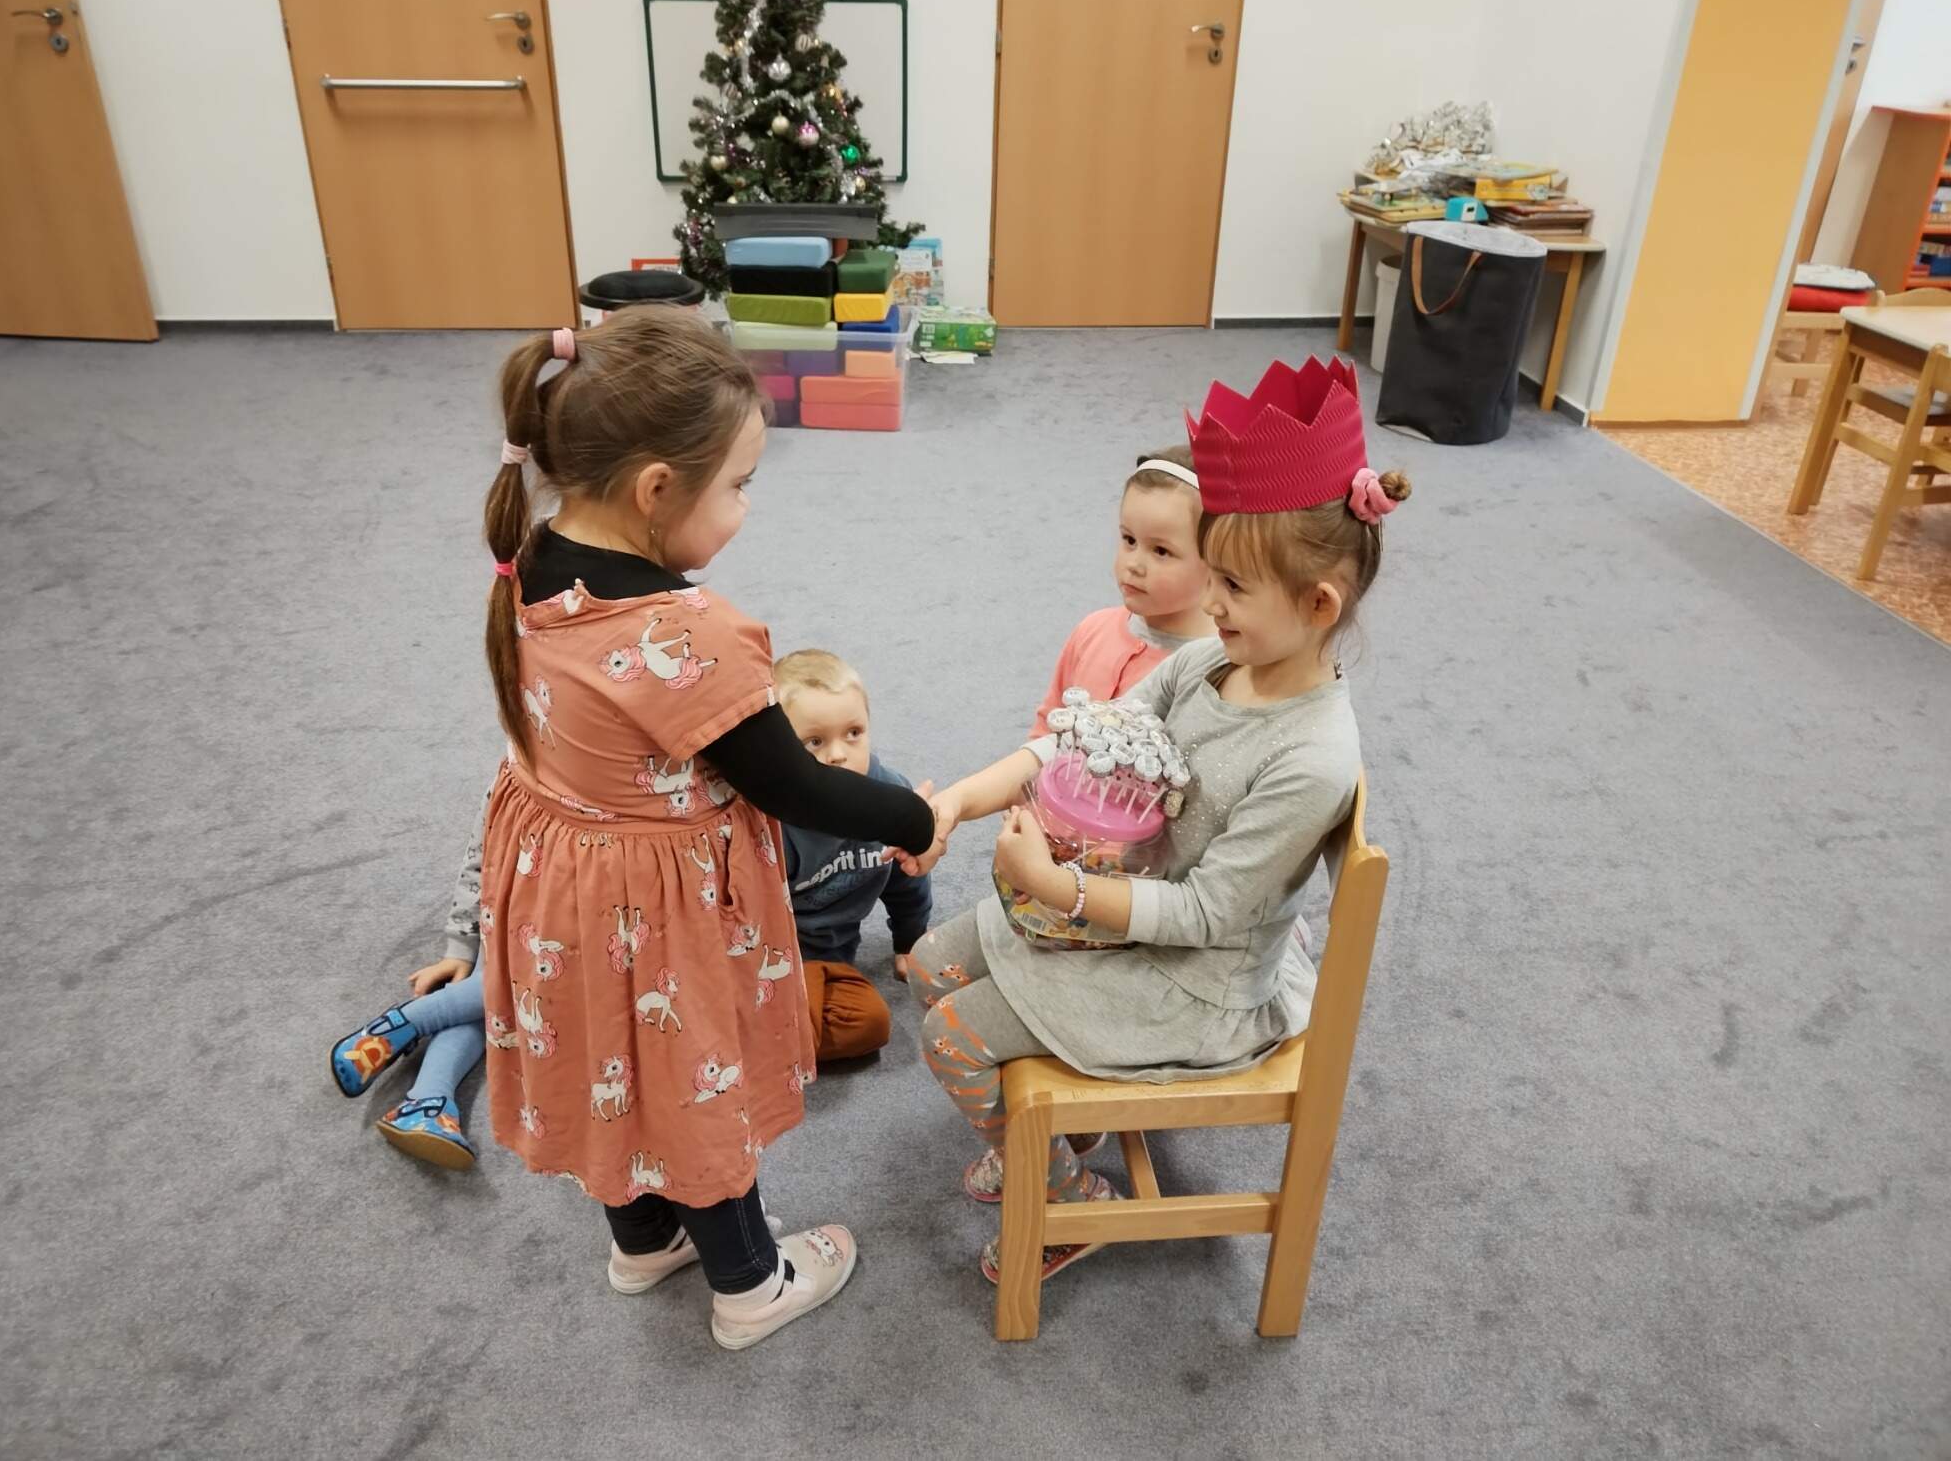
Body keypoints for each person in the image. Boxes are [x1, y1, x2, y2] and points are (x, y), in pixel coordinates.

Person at [475, 310, 941, 1349]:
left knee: (615, 1064)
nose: (743, 507)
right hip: (653, 905)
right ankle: (749, 1284)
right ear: (655, 489)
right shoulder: (686, 636)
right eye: (736, 485)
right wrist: (913, 815)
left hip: (563, 883)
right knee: (692, 1077)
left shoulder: (528, 557)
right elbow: (797, 787)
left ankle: (645, 1240)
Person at [913, 357, 1403, 1284]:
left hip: (1192, 983)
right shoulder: (1217, 662)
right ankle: (1055, 1130)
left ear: (1318, 604)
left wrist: (1057, 886)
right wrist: (962, 802)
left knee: (952, 1036)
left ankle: (1069, 1198)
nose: (1209, 603)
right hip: (1126, 905)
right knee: (929, 964)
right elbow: (1083, 739)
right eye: (1213, 576)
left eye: (1233, 587)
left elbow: (1210, 917)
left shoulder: (1311, 756)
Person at [327, 782, 495, 1168]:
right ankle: (406, 1032)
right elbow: (483, 850)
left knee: (497, 1000)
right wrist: (461, 944)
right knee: (523, 988)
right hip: (534, 916)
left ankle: (424, 1096)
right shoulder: (521, 771)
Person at [774, 648, 931, 1046]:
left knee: (868, 1024)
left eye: (854, 733)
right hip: (769, 959)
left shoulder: (890, 795)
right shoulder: (770, 820)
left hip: (832, 959)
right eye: (814, 741)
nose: (839, 754)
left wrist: (909, 942)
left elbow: (909, 880)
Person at [1028, 444, 1215, 738]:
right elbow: (1048, 724)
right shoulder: (1092, 630)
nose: (1134, 564)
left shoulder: (1214, 670)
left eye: (1161, 551)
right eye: (1129, 539)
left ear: (1217, 560)